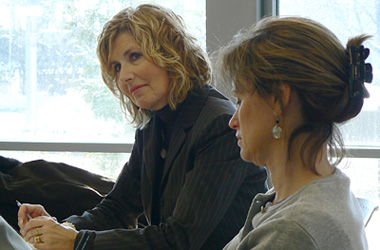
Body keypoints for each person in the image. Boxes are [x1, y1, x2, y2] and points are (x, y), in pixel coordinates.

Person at [17, 4, 267, 250]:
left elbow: (180, 239)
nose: (123, 76)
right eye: (117, 67)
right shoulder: (153, 125)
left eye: (134, 57)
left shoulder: (217, 124)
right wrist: (58, 229)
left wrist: (77, 241)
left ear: (171, 52)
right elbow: (117, 208)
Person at [216, 16, 371, 249]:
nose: (233, 121)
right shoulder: (325, 189)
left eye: (240, 100)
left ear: (279, 100)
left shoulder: (291, 230)